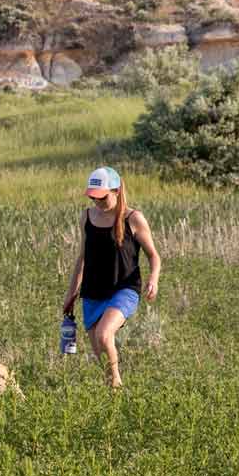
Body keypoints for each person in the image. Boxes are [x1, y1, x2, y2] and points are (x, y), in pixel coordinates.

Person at [61, 165, 160, 388]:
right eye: (93, 198)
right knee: (102, 358)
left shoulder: (133, 218)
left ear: (116, 191)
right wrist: (71, 294)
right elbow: (82, 258)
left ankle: (118, 384)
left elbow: (154, 256)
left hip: (124, 289)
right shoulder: (86, 216)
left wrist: (153, 279)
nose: (97, 203)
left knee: (104, 335)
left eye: (102, 198)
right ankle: (114, 397)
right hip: (93, 291)